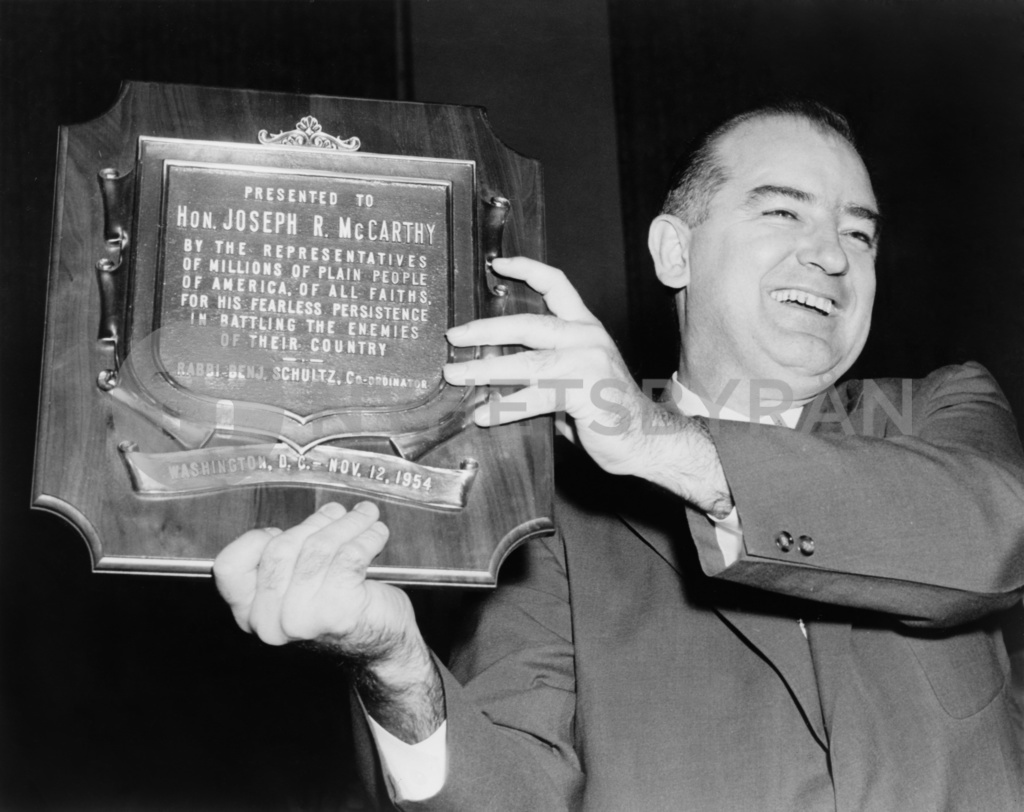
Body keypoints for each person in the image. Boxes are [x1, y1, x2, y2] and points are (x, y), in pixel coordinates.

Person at [213, 101, 1024, 811]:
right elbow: (512, 793)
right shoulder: (556, 513)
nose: (833, 255)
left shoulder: (938, 411)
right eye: (784, 214)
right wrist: (395, 664)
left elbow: (992, 533)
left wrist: (646, 437)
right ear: (674, 252)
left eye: (859, 233)